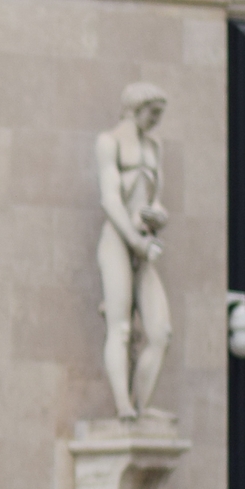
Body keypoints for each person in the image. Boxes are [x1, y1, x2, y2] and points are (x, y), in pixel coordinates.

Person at [95, 82, 171, 420]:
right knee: (121, 327)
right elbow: (110, 199)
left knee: (160, 332)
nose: (155, 121)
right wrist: (135, 240)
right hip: (118, 240)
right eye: (152, 113)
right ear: (136, 108)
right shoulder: (109, 143)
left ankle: (142, 404)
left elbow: (155, 201)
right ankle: (123, 405)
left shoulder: (154, 147)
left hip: (145, 243)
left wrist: (159, 216)